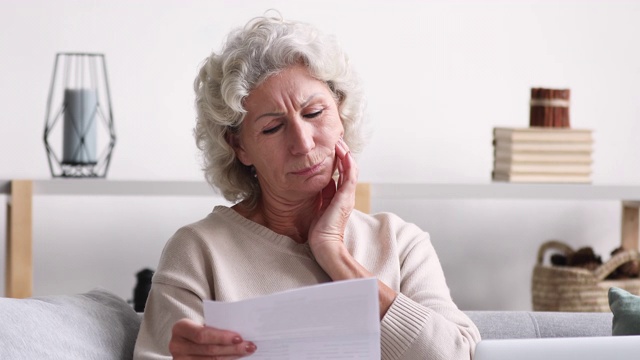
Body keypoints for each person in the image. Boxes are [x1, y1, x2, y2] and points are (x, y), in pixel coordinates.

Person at [134, 12, 480, 360]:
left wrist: (335, 255)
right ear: (239, 147)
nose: (302, 142)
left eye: (314, 113)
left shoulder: (400, 243)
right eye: (272, 128)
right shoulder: (198, 251)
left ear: (341, 113)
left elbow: (453, 354)